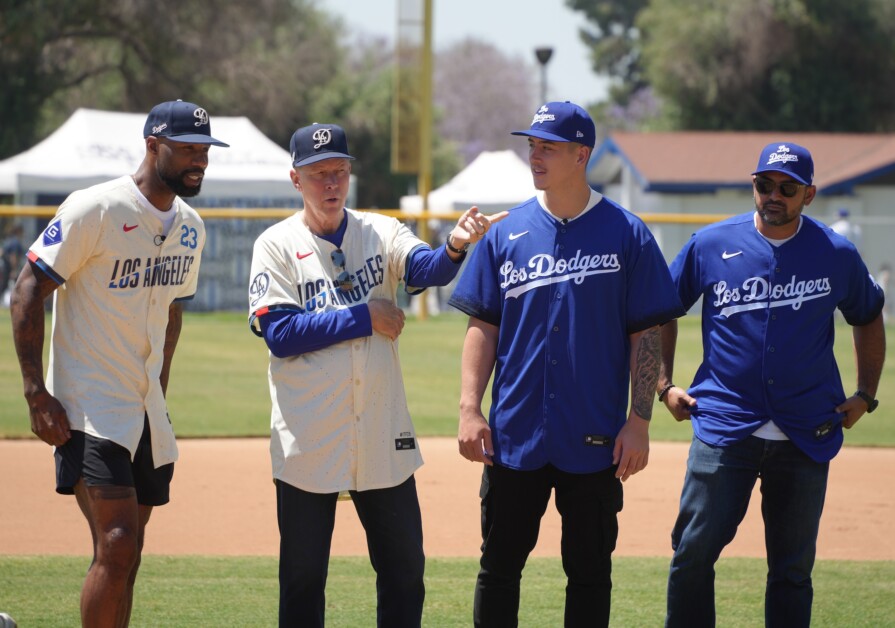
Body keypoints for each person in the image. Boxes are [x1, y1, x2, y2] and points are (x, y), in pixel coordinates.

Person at [247, 122, 506, 628]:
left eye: (340, 172)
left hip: (382, 432)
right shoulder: (276, 245)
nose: (331, 184)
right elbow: (279, 333)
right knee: (302, 579)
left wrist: (454, 245)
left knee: (405, 570)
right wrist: (364, 317)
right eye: (319, 174)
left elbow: (424, 270)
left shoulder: (379, 230)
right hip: (309, 434)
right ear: (296, 180)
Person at [448, 101, 685, 628]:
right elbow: (482, 327)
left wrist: (639, 419)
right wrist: (470, 408)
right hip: (515, 433)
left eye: (548, 146)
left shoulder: (627, 233)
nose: (535, 154)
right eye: (532, 144)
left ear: (581, 154)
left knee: (590, 572)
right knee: (499, 568)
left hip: (595, 436)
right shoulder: (506, 233)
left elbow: (647, 333)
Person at [10, 100, 227, 627]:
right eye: (188, 149)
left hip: (146, 408)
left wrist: (162, 396)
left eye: (205, 150)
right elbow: (27, 290)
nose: (200, 160)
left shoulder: (190, 226)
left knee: (127, 555)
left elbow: (172, 316)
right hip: (88, 405)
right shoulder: (97, 208)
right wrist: (36, 392)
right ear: (154, 145)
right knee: (118, 541)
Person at [658, 142, 886, 627]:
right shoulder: (711, 243)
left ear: (809, 193)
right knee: (692, 555)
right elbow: (661, 311)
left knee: (791, 571)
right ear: (753, 186)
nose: (773, 195)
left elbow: (868, 315)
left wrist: (866, 392)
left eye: (787, 187)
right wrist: (663, 384)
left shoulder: (836, 253)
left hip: (806, 430)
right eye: (764, 184)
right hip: (724, 427)